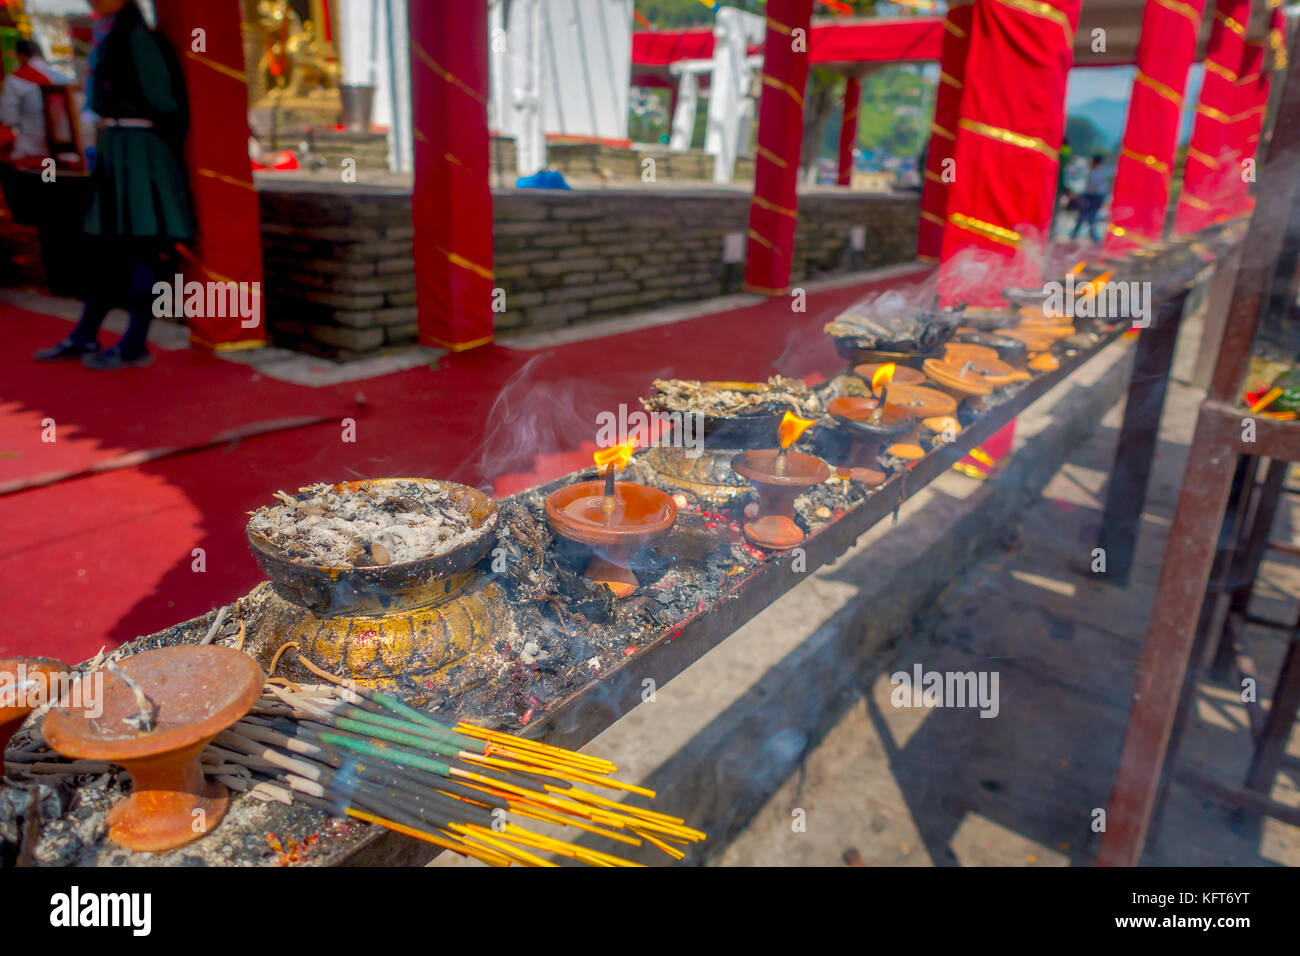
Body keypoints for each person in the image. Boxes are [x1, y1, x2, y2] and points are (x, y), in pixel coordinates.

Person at [34, 0, 195, 370]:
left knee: (141, 252)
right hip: (116, 149)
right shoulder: (108, 33)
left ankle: (135, 343)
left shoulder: (138, 38)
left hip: (139, 152)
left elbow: (165, 101)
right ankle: (86, 333)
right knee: (107, 253)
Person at [0, 39, 75, 166]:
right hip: (67, 153)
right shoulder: (64, 79)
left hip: (34, 152)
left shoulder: (15, 79)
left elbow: (8, 119)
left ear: (21, 56)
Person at [1070, 154, 1109, 245]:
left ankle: (1093, 236)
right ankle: (1075, 234)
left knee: (1092, 216)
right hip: (1088, 196)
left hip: (1097, 197)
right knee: (1082, 215)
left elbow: (1101, 187)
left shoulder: (1102, 172)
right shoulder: (1089, 170)